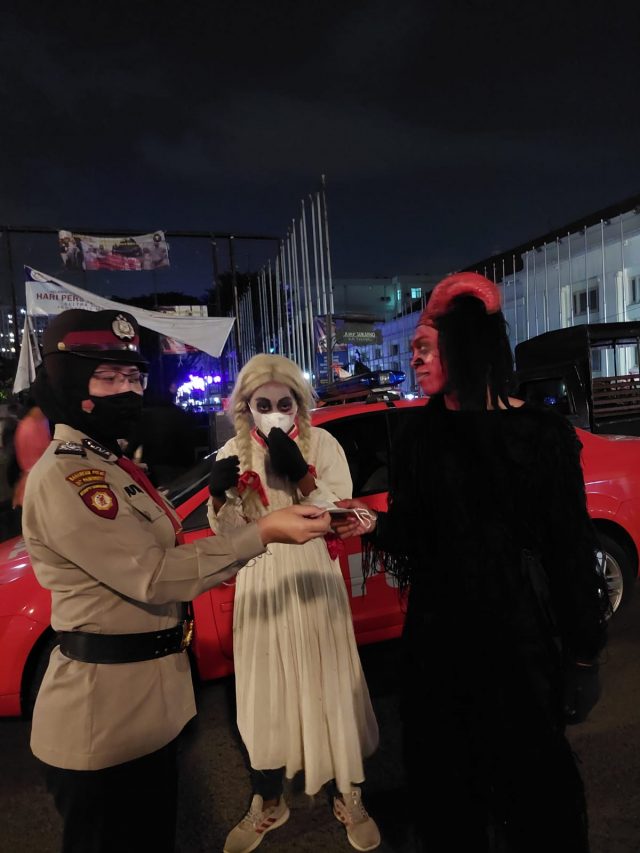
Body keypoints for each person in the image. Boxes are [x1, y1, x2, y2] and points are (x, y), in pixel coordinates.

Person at [22, 310, 331, 853]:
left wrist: (291, 492)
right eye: (107, 377)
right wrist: (254, 524)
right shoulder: (71, 473)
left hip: (147, 706)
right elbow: (156, 573)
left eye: (133, 376)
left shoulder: (110, 462)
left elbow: (168, 543)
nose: (127, 390)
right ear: (69, 383)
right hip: (105, 721)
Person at [334, 272, 610, 853]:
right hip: (439, 648)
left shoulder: (540, 435)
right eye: (412, 349)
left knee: (530, 797)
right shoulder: (419, 436)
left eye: (424, 348)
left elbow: (569, 550)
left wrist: (584, 655)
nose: (413, 360)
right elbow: (420, 536)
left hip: (519, 646)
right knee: (451, 795)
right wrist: (372, 524)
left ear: (465, 345)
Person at [207, 353, 381, 853]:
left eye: (284, 403)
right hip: (261, 578)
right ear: (246, 406)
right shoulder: (233, 452)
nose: (275, 412)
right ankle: (268, 799)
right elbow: (227, 535)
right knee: (266, 687)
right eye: (263, 405)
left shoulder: (323, 443)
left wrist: (302, 475)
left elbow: (341, 514)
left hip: (312, 572)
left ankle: (348, 790)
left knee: (329, 679)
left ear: (299, 403)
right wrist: (219, 499)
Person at [11, 394, 51, 515]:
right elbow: (35, 460)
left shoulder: (40, 422)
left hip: (36, 480)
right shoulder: (29, 427)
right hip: (35, 483)